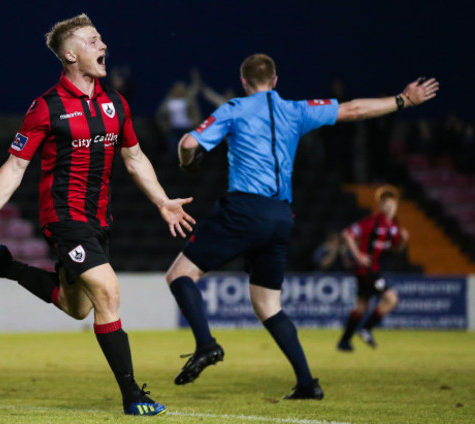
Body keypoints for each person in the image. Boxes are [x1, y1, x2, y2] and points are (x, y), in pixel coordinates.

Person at [166, 53, 438, 399]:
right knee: (268, 306)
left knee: (179, 275)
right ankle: (308, 383)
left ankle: (206, 344)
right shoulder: (297, 109)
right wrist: (403, 100)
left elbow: (188, 143)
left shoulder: (234, 108)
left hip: (245, 208)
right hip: (281, 216)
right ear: (275, 80)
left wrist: (186, 162)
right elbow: (353, 109)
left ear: (246, 83)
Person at [0, 14, 194, 416]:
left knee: (77, 307)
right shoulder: (45, 107)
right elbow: (15, 166)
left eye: (101, 37)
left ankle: (7, 266)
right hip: (64, 218)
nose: (102, 45)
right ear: (70, 54)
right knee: (108, 293)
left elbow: (134, 157)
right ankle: (132, 397)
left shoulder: (115, 103)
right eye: (92, 40)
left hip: (99, 220)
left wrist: (162, 201)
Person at [337, 185, 409, 351]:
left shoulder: (394, 226)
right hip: (366, 270)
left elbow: (396, 249)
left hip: (374, 269)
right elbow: (347, 233)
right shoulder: (371, 222)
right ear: (381, 206)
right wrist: (358, 256)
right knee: (391, 298)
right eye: (387, 205)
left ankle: (344, 341)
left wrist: (404, 240)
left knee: (361, 307)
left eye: (393, 205)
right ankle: (366, 329)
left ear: (396, 206)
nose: (390, 208)